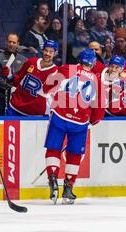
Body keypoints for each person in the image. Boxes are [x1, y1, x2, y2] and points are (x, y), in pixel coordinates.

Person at [43, 48, 105, 204]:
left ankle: (52, 179)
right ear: (94, 63)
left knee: (53, 149)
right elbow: (99, 110)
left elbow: (46, 88)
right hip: (80, 121)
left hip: (59, 116)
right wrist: (94, 120)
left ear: (79, 59)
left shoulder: (66, 68)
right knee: (74, 154)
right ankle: (68, 189)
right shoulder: (97, 80)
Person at [1, 40, 58, 116]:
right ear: (42, 50)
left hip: (34, 114)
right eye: (46, 50)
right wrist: (9, 75)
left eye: (51, 52)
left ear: (55, 53)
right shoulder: (32, 61)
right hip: (15, 108)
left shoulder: (56, 72)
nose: (47, 54)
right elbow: (18, 79)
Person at [0, 33, 26, 115]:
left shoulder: (23, 59)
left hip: (18, 99)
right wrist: (13, 88)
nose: (11, 44)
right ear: (6, 42)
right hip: (2, 97)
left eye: (14, 42)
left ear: (18, 44)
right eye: (9, 42)